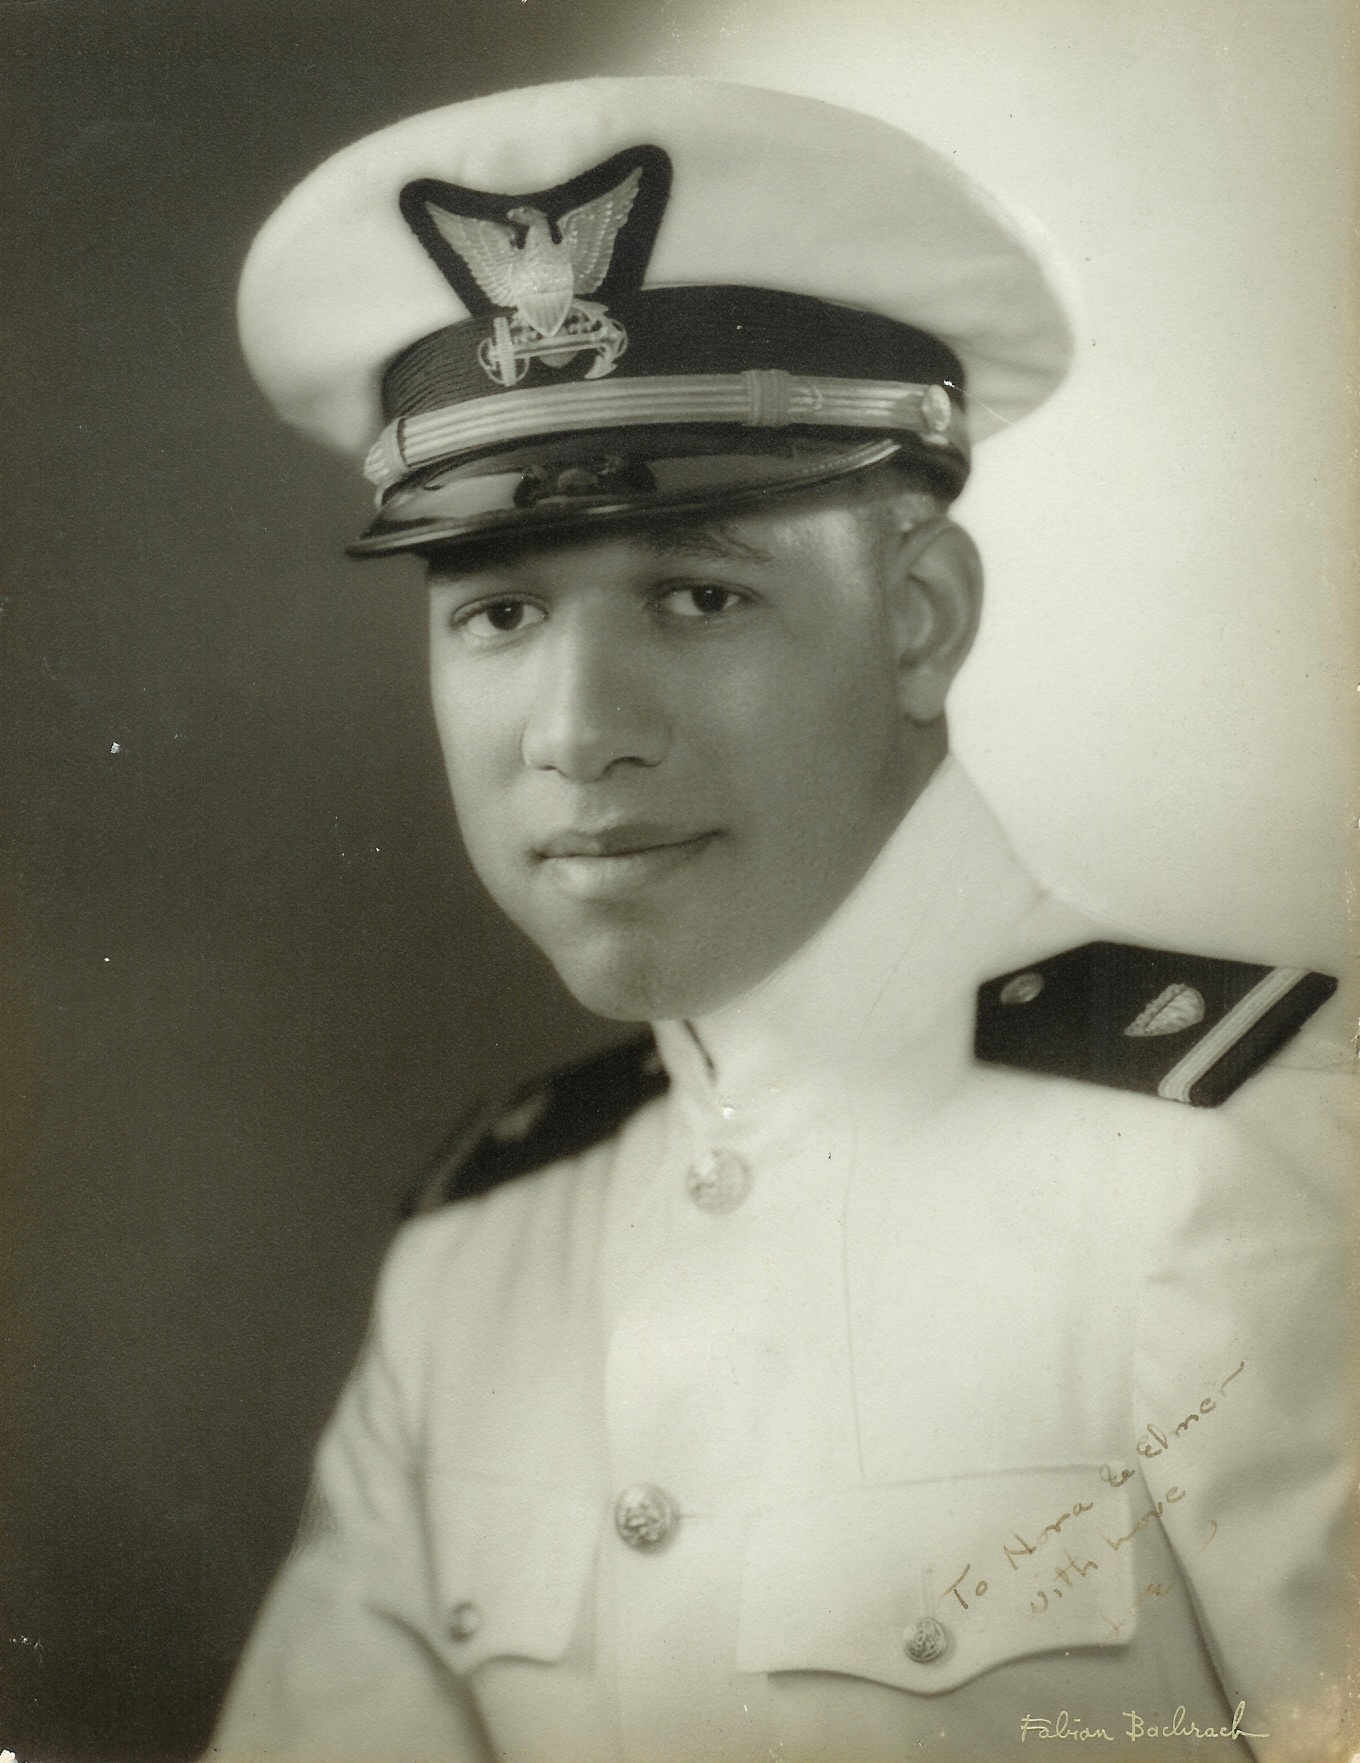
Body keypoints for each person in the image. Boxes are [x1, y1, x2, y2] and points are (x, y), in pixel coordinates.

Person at [208, 77, 1353, 1763]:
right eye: (502, 610)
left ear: (920, 619)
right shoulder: (480, 1257)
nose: (577, 728)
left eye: (699, 593)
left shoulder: (1252, 1167)